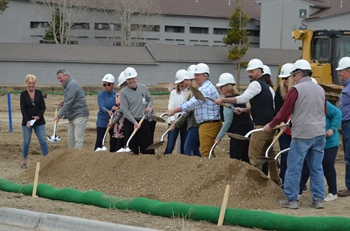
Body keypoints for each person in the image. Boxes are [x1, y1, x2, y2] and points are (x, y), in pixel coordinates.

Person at [262, 59, 326, 209]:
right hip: (319, 133)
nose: (293, 79)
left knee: (294, 166)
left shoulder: (296, 90)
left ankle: (291, 199)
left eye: (294, 76)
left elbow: (284, 111)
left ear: (298, 74)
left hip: (302, 134)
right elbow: (324, 112)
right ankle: (318, 199)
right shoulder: (320, 89)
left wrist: (271, 125)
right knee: (316, 167)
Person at [215, 59, 281, 185]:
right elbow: (262, 106)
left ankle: (257, 185)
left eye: (251, 71)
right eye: (248, 71)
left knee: (254, 156)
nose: (249, 74)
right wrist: (245, 110)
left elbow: (243, 98)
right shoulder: (265, 87)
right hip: (269, 125)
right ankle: (276, 181)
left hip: (262, 126)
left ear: (259, 71)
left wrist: (224, 100)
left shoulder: (256, 84)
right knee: (270, 155)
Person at [168, 63, 221, 158]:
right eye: (195, 75)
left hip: (209, 124)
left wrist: (175, 110)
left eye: (198, 75)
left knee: (204, 151)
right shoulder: (202, 88)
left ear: (205, 76)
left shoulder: (205, 89)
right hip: (204, 124)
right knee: (202, 150)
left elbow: (192, 103)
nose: (195, 78)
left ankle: (209, 170)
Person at [299, 100, 342, 201]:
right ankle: (298, 191)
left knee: (327, 164)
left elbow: (338, 113)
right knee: (306, 165)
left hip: (329, 141)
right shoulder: (305, 103)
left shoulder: (323, 103)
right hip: (313, 139)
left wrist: (332, 128)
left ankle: (333, 192)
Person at [215, 73, 253, 162]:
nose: (220, 89)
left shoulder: (228, 101)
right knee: (245, 157)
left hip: (238, 132)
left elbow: (228, 121)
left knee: (234, 157)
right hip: (248, 129)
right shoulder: (238, 98)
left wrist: (219, 137)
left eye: (222, 87)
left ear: (228, 87)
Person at [119, 67, 154, 154]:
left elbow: (150, 99)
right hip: (130, 122)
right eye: (129, 79)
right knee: (132, 147)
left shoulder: (143, 88)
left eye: (133, 78)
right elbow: (125, 110)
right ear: (126, 80)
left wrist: (149, 106)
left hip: (143, 121)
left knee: (146, 146)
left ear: (136, 78)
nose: (131, 81)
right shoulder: (123, 93)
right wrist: (134, 122)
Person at [55, 68, 89, 149]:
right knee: (70, 139)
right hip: (72, 116)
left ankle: (76, 159)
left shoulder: (72, 85)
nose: (59, 80)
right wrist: (63, 103)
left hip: (80, 114)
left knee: (78, 139)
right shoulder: (67, 86)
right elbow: (71, 99)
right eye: (58, 78)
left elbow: (69, 102)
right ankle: (71, 157)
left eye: (60, 78)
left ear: (66, 76)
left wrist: (59, 116)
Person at [171, 65, 201, 157]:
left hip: (195, 124)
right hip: (194, 124)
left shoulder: (194, 94)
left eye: (188, 80)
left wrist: (175, 123)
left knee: (187, 148)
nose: (186, 82)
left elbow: (187, 111)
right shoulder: (192, 92)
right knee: (195, 148)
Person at [20, 74, 48, 169]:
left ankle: (47, 160)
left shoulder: (39, 93)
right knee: (26, 142)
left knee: (43, 141)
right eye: (29, 83)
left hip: (39, 121)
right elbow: (23, 109)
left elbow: (43, 107)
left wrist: (38, 117)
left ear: (35, 84)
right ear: (26, 84)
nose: (31, 85)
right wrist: (28, 120)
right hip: (27, 122)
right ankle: (24, 161)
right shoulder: (23, 94)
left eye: (33, 83)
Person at [274, 63, 295, 185]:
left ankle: (298, 183)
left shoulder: (298, 90)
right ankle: (284, 180)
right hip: (284, 131)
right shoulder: (280, 91)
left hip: (297, 130)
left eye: (286, 78)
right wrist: (281, 121)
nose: (284, 81)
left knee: (296, 157)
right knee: (285, 156)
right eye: (283, 78)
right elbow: (278, 109)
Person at [164, 69, 189, 154]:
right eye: (179, 83)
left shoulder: (189, 93)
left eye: (182, 82)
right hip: (173, 121)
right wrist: (172, 120)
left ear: (186, 81)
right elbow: (170, 106)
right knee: (170, 145)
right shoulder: (174, 93)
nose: (180, 84)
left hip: (185, 122)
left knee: (184, 145)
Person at [337, 56, 350, 197]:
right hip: (346, 124)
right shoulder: (346, 86)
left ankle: (349, 186)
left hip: (349, 124)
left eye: (341, 71)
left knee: (349, 156)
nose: (339, 73)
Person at [94, 73, 117, 152]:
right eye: (104, 84)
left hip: (113, 121)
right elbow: (101, 105)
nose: (106, 86)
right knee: (99, 140)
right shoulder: (101, 95)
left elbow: (118, 105)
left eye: (109, 84)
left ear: (113, 85)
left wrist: (115, 110)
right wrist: (107, 111)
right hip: (102, 121)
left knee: (114, 141)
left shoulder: (116, 95)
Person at [109, 71, 127, 151]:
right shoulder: (119, 94)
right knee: (120, 139)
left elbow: (122, 108)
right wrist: (115, 108)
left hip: (125, 120)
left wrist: (114, 120)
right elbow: (120, 108)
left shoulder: (121, 94)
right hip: (120, 120)